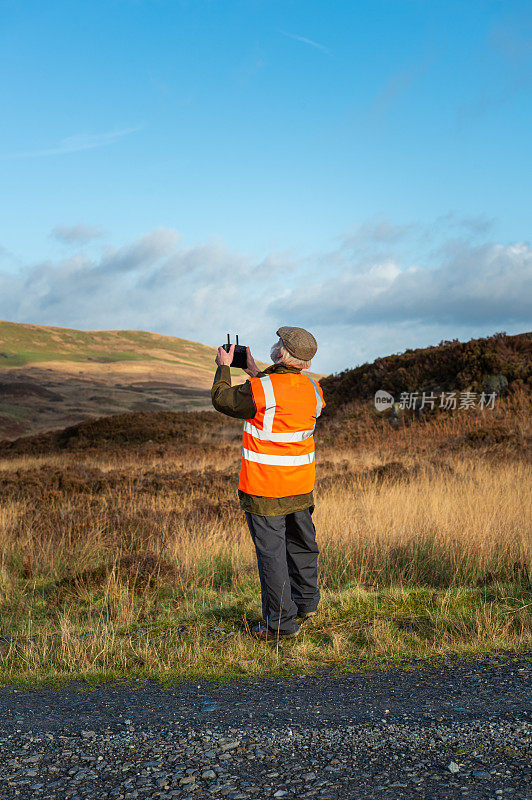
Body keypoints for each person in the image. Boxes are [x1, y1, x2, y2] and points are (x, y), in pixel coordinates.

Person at [211, 326, 325, 641]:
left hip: (265, 489)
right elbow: (281, 395)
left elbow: (223, 400)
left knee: (272, 556)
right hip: (301, 487)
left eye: (278, 343)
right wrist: (252, 369)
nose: (274, 346)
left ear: (282, 353)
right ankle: (305, 606)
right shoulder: (313, 391)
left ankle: (280, 625)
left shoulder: (263, 389)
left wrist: (223, 366)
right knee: (302, 547)